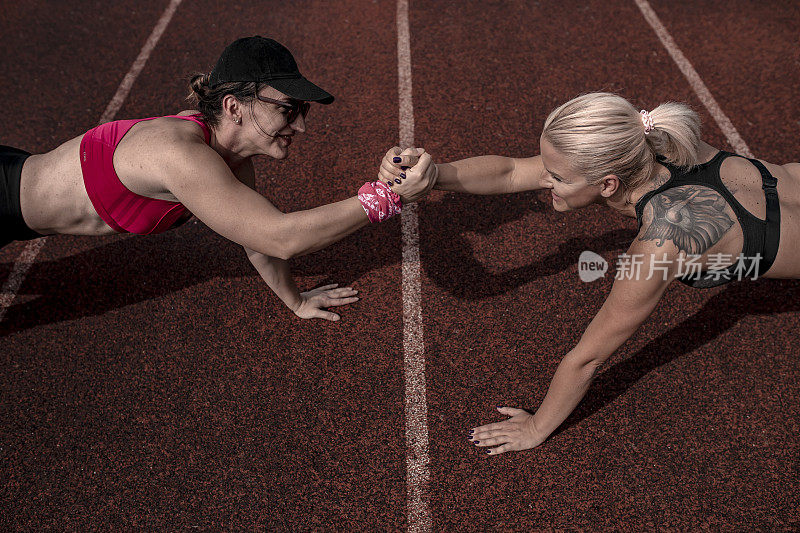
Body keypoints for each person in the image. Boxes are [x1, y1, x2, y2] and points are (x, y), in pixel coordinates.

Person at [380, 92, 800, 454]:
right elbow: (511, 171)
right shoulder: (650, 143)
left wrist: (536, 426)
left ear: (608, 185)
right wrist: (434, 175)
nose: (544, 179)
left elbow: (589, 358)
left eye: (557, 177)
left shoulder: (660, 244)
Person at [0, 36, 436, 322]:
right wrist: (387, 197)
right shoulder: (181, 155)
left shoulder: (226, 156)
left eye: (302, 112)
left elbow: (258, 238)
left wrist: (296, 300)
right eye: (288, 109)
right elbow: (280, 237)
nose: (300, 126)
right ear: (233, 107)